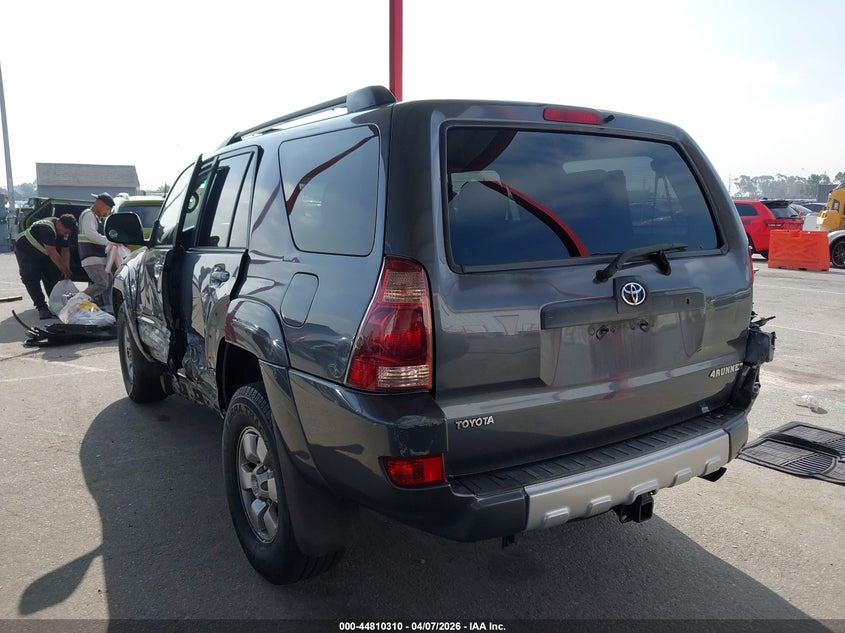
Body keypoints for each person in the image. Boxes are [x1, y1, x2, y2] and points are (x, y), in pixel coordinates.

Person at [14, 214, 78, 319]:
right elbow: (53, 253)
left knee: (53, 276)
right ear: (59, 224)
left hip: (44, 252)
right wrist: (64, 270)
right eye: (65, 231)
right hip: (26, 251)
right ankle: (42, 308)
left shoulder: (64, 230)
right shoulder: (46, 229)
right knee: (31, 279)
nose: (65, 234)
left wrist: (66, 268)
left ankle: (56, 305)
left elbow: (65, 250)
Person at [78, 192, 116, 307]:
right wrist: (109, 241)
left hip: (98, 258)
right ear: (99, 204)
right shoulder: (88, 215)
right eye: (107, 209)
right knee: (102, 283)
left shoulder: (95, 217)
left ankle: (108, 308)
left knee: (109, 282)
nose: (106, 213)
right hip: (91, 258)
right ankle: (76, 300)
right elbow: (91, 235)